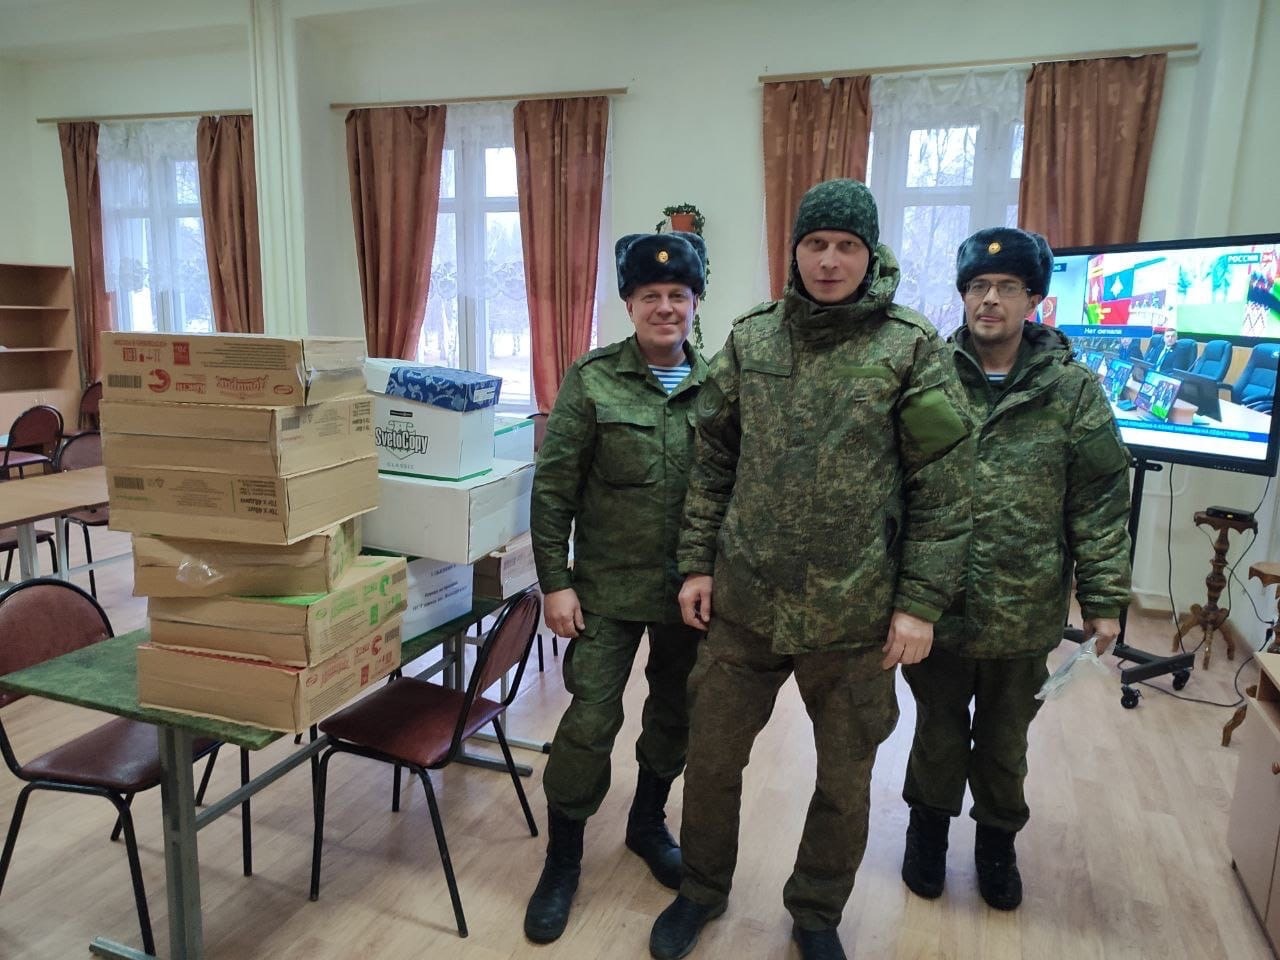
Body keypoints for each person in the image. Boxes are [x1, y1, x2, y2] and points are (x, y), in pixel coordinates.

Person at [648, 179, 971, 960]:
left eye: (846, 246)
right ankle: (701, 890)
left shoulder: (911, 348)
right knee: (713, 761)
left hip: (854, 613)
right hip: (746, 603)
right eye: (816, 244)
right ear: (795, 251)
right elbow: (713, 459)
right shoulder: (752, 340)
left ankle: (818, 912)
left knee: (845, 779)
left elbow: (942, 484)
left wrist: (920, 603)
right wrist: (697, 565)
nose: (829, 260)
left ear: (870, 252)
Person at [899, 226, 1131, 911]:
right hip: (937, 606)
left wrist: (1104, 600)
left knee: (1005, 743)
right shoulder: (928, 377)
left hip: (1023, 608)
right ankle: (927, 835)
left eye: (1006, 287)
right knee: (937, 731)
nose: (990, 300)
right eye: (978, 286)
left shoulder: (1072, 390)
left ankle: (996, 845)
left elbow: (1098, 500)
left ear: (1034, 300)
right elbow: (895, 484)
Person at [524, 230, 709, 944]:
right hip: (603, 590)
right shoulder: (593, 379)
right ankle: (562, 860)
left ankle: (646, 824)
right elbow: (554, 488)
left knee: (674, 714)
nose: (665, 308)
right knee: (590, 723)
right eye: (649, 296)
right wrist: (555, 583)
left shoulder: (719, 387)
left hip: (688, 596)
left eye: (677, 295)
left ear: (695, 303)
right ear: (629, 305)